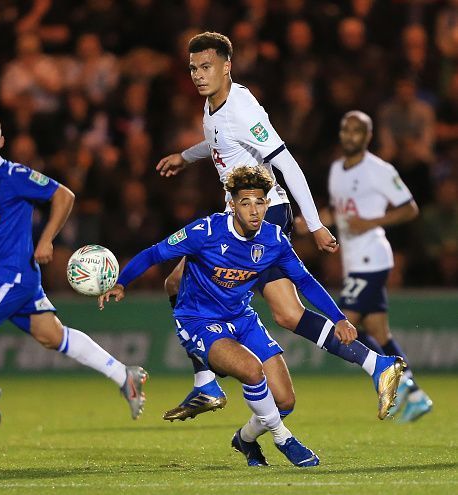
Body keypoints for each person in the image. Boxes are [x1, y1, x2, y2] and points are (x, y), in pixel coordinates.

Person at [99, 166, 405, 467]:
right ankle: (284, 438)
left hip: (243, 319)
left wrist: (339, 317)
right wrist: (123, 282)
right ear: (232, 205)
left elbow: (306, 281)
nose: (254, 210)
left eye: (259, 202)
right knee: (252, 370)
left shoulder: (273, 239)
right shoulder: (204, 232)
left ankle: (244, 439)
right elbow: (155, 253)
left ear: (268, 203)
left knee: (285, 401)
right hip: (199, 322)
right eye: (245, 202)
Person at [155, 31, 372, 421]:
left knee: (283, 310)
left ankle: (374, 364)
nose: (199, 75)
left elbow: (286, 163)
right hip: (236, 215)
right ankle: (207, 383)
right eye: (193, 69)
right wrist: (186, 157)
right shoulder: (214, 106)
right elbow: (219, 143)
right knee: (187, 285)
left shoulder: (242, 107)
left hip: (263, 212)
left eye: (206, 67)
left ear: (227, 67)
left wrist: (316, 224)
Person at [0, 114, 148, 438]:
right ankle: (124, 375)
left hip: (12, 273)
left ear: (1, 141)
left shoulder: (14, 175)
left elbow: (64, 196)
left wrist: (46, 238)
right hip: (7, 275)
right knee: (52, 336)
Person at [327, 110, 432, 422]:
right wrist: (318, 222)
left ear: (368, 136)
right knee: (377, 331)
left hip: (372, 258)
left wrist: (372, 222)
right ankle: (414, 394)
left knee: (343, 327)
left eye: (357, 131)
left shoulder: (379, 170)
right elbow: (341, 212)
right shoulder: (336, 170)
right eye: (345, 130)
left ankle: (389, 375)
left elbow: (410, 208)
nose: (350, 136)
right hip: (353, 259)